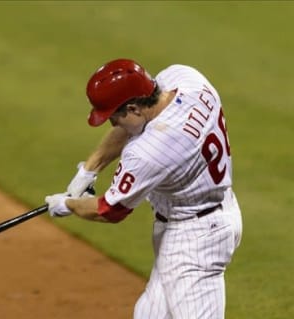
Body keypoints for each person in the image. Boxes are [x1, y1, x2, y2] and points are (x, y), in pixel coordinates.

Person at [45, 58, 243, 319]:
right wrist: (89, 170)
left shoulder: (150, 150)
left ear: (134, 108)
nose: (112, 124)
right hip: (207, 212)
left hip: (195, 241)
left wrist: (67, 205)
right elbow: (132, 128)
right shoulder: (186, 79)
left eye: (114, 116)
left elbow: (108, 210)